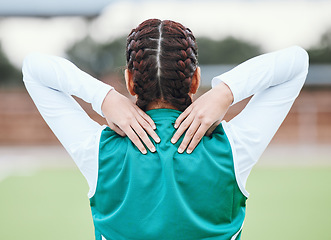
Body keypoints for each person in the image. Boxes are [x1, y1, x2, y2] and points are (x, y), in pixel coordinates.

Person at [22, 19, 308, 240]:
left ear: (130, 82)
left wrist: (104, 98)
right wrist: (225, 93)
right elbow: (296, 62)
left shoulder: (99, 151)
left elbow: (34, 68)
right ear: (195, 80)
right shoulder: (232, 147)